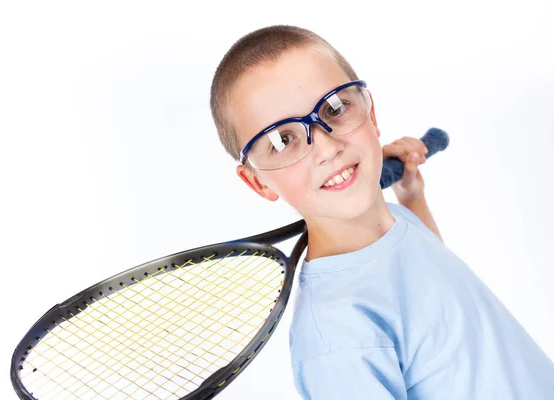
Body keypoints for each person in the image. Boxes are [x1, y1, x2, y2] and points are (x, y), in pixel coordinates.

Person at [209, 25, 554, 399]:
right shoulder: (337, 333)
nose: (326, 147)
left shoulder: (397, 222)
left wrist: (412, 194)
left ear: (371, 114)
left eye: (335, 108)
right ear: (257, 183)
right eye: (283, 140)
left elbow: (432, 280)